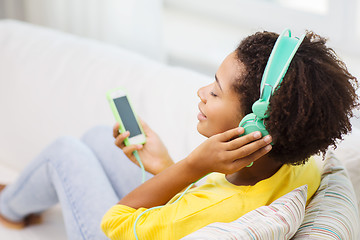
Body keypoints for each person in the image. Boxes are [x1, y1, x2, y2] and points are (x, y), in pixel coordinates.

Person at [0, 30, 358, 240]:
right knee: (97, 138)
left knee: (65, 152)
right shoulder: (297, 162)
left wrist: (189, 166)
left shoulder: (214, 209)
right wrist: (166, 165)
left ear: (256, 125)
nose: (202, 92)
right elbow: (204, 195)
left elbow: (114, 222)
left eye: (216, 91)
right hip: (180, 203)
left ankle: (9, 211)